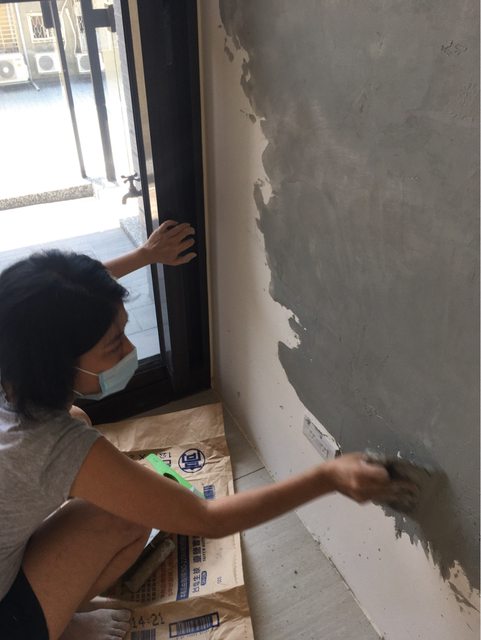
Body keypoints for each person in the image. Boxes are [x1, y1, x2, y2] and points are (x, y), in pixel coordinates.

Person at [0, 221, 412, 640]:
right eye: (115, 343)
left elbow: (58, 309)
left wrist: (145, 256)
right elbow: (205, 518)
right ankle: (58, 626)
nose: (130, 349)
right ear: (57, 364)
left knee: (77, 417)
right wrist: (327, 478)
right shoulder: (47, 445)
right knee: (129, 512)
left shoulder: (13, 343)